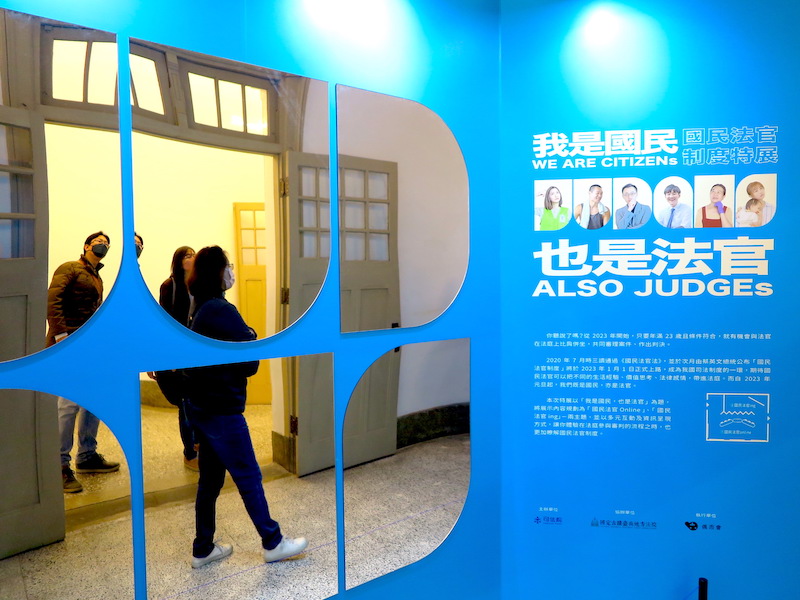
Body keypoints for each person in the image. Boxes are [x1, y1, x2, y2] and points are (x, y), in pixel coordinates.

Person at [184, 246, 307, 568]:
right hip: (221, 409)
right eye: (228, 266)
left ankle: (203, 548)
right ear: (217, 271)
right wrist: (250, 334)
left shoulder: (201, 306)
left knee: (210, 481)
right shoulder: (220, 309)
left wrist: (247, 336)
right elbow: (251, 361)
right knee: (248, 475)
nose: (232, 272)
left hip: (204, 406)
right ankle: (273, 542)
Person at [47, 231, 120, 493]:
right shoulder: (69, 268)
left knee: (93, 400)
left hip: (89, 346)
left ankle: (87, 456)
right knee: (69, 405)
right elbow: (53, 300)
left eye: (107, 244)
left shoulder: (96, 275)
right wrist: (61, 336)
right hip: (69, 343)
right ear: (87, 246)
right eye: (99, 242)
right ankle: (59, 465)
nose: (103, 246)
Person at [150, 246, 199, 470]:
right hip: (177, 352)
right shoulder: (169, 286)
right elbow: (163, 323)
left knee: (195, 402)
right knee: (185, 403)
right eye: (188, 255)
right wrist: (160, 358)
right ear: (178, 261)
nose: (192, 258)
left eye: (194, 254)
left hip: (196, 351)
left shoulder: (199, 285)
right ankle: (190, 452)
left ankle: (198, 445)